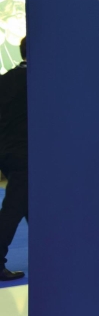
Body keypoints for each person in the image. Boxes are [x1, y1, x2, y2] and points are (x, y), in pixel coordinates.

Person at [0, 36, 28, 281]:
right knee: (12, 209)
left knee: (31, 206)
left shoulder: (5, 79)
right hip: (26, 156)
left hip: (7, 154)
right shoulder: (36, 82)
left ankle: (50, 255)